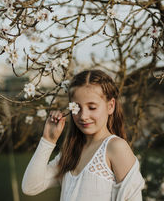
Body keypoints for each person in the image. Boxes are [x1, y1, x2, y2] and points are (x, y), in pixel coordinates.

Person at [22, 69, 145, 200]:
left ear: (110, 106)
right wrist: (48, 140)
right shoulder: (70, 152)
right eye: (77, 107)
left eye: (92, 107)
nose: (83, 116)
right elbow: (30, 187)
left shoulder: (115, 147)